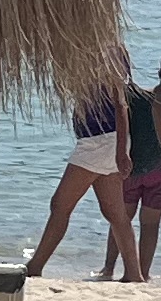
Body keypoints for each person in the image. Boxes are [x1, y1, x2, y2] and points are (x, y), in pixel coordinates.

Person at [23, 54, 137, 279]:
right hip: (103, 139)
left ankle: (36, 266)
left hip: (101, 141)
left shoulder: (108, 52)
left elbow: (121, 104)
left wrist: (121, 151)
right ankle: (134, 274)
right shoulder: (89, 49)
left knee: (60, 204)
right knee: (114, 212)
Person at [97, 51, 161, 281]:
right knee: (151, 224)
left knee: (121, 219)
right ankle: (142, 273)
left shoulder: (140, 98)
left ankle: (108, 269)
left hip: (135, 166)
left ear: (159, 73)